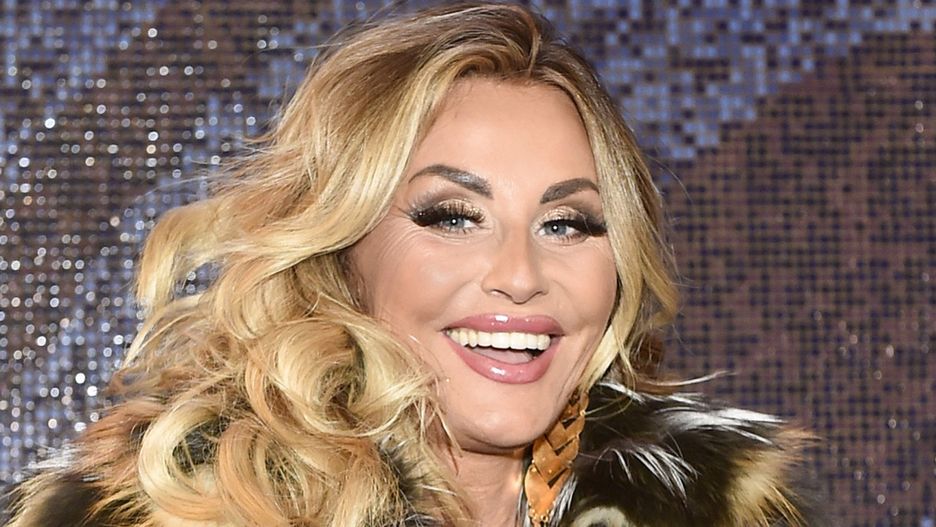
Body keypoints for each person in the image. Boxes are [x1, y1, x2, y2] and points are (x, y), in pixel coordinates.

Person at [4, 3, 823, 526]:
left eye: (568, 223)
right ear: (340, 251)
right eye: (453, 216)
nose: (520, 273)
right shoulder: (174, 510)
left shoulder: (723, 509)